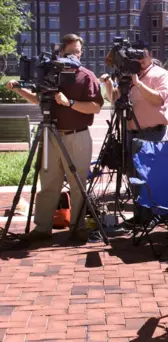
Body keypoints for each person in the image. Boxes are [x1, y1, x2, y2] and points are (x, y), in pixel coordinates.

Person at [6, 34, 103, 243]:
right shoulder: (49, 74)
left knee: (78, 186)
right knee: (48, 183)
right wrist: (18, 88)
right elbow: (38, 99)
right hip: (51, 135)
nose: (75, 56)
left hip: (77, 136)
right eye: (70, 52)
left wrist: (70, 103)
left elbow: (96, 106)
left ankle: (78, 228)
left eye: (78, 51)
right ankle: (42, 228)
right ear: (60, 52)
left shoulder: (85, 76)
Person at [101, 40, 168, 225]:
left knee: (151, 177)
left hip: (152, 134)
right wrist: (109, 84)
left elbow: (159, 100)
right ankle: (141, 216)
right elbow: (115, 100)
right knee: (133, 176)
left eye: (142, 56)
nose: (139, 60)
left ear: (150, 54)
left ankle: (154, 216)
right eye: (135, 57)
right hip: (130, 134)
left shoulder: (161, 74)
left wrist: (138, 83)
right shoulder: (127, 76)